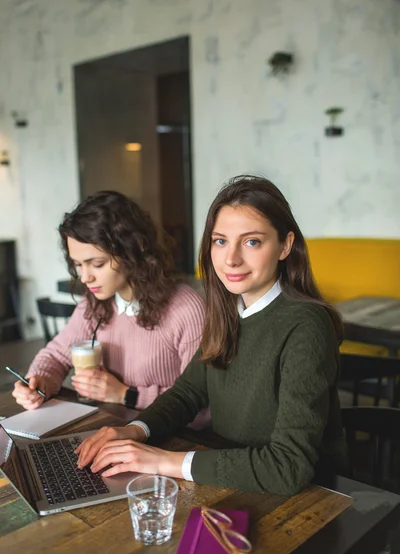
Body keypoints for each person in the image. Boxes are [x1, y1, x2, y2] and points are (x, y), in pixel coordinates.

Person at [75, 175, 348, 496]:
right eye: (220, 241)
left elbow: (288, 466)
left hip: (313, 498)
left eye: (252, 241)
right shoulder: (229, 309)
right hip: (234, 478)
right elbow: (186, 394)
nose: (230, 258)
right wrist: (135, 431)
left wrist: (164, 462)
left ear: (285, 246)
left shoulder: (307, 324)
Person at [12, 191, 206, 424]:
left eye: (97, 264)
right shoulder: (95, 304)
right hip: (111, 429)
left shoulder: (186, 309)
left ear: (134, 249)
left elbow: (202, 407)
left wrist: (126, 394)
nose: (85, 277)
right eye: (78, 265)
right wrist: (38, 381)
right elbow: (55, 354)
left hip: (169, 443)